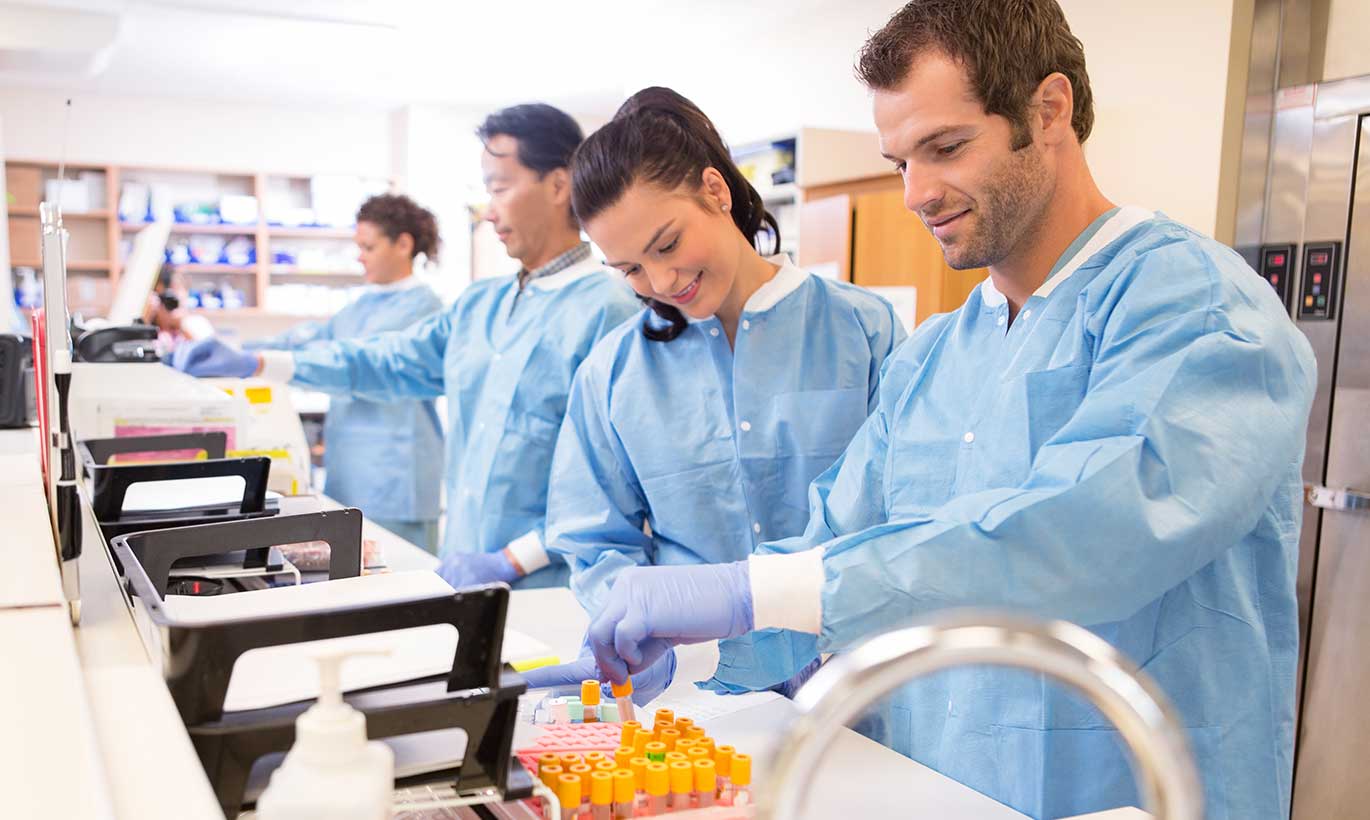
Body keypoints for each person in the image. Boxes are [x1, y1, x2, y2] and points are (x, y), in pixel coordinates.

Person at [579, 2, 1317, 818]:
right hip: (938, 786)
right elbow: (841, 541)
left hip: (1138, 790)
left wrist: (752, 590)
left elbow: (1084, 532)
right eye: (899, 162)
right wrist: (699, 649)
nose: (917, 194)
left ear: (1049, 111)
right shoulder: (934, 356)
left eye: (946, 148)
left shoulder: (1200, 312)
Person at [521, 88, 905, 703]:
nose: (662, 282)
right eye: (631, 271)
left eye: (668, 244)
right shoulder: (613, 371)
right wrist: (637, 631)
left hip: (857, 679)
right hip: (693, 687)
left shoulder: (864, 329)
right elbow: (593, 540)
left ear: (716, 191)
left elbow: (901, 512)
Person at [174, 103, 642, 586]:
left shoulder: (610, 309)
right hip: (465, 567)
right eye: (486, 191)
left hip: (557, 583)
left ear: (560, 185)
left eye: (500, 187)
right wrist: (257, 361)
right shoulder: (482, 304)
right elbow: (385, 360)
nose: (490, 211)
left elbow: (618, 477)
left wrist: (515, 558)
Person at [243, 195, 445, 551]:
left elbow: (354, 363)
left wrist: (259, 362)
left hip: (396, 479)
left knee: (403, 585)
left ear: (403, 244)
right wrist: (241, 353)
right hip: (348, 470)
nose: (359, 256)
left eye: (368, 246)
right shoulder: (360, 307)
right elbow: (306, 342)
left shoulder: (425, 309)